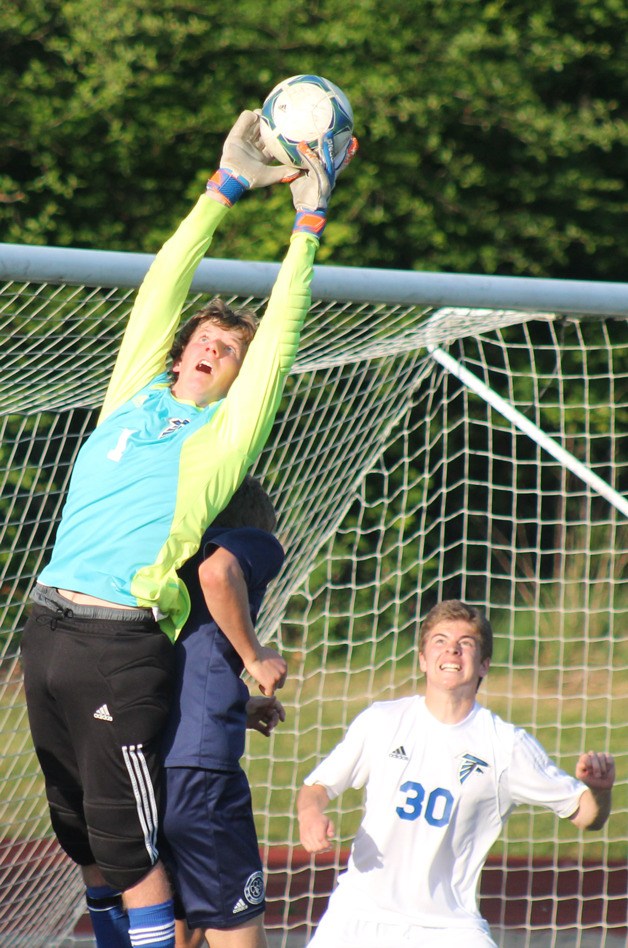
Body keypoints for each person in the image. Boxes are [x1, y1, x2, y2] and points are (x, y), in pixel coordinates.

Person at [20, 109, 356, 948]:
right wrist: (222, 192)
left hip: (116, 642)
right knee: (86, 848)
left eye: (227, 350)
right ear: (179, 352)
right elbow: (162, 283)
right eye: (204, 338)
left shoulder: (221, 439)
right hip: (45, 627)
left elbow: (278, 336)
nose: (213, 347)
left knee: (132, 857)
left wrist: (306, 227)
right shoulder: (133, 394)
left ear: (237, 377)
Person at [297, 599, 615, 948]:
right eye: (440, 640)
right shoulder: (382, 721)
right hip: (360, 916)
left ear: (483, 665)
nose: (452, 649)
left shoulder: (506, 746)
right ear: (422, 659)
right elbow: (317, 786)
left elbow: (585, 814)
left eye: (466, 643)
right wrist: (310, 813)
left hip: (449, 928)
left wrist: (598, 790)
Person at [160, 475, 287, 948]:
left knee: (181, 921)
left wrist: (237, 701)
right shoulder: (252, 542)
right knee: (237, 926)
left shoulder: (169, 559)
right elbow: (219, 575)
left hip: (154, 759)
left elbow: (190, 656)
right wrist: (254, 656)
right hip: (203, 770)